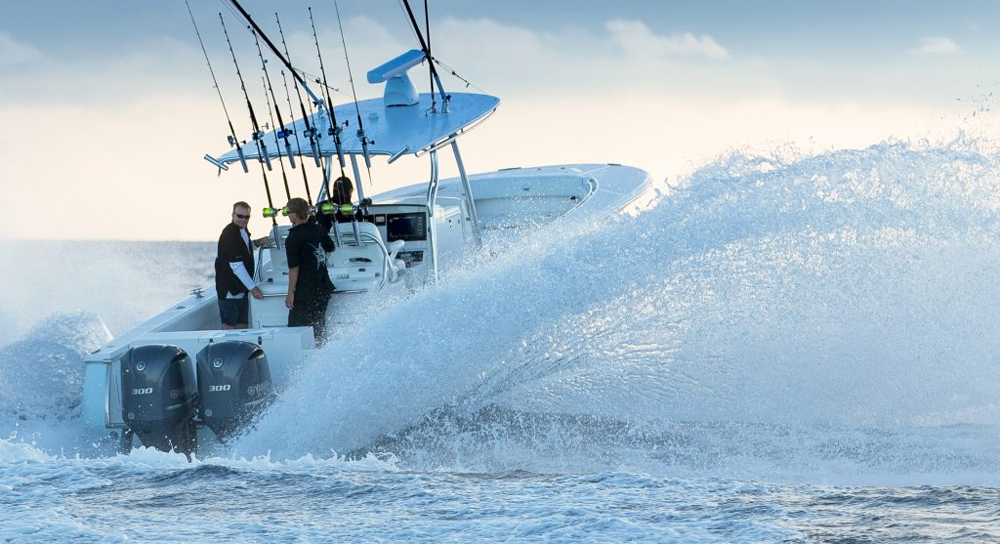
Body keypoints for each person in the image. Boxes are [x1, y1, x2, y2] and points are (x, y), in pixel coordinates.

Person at [284, 197, 336, 345]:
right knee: (319, 325)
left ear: (294, 214)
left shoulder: (293, 238)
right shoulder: (319, 229)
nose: (288, 215)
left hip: (305, 291)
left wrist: (290, 293)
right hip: (323, 286)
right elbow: (331, 248)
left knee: (296, 328)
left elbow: (294, 268)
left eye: (288, 212)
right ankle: (321, 353)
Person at [215, 201, 268, 329]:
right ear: (233, 215)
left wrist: (257, 242)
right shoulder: (229, 235)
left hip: (242, 290)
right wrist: (253, 289)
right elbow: (236, 265)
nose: (243, 220)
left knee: (243, 325)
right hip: (230, 291)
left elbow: (244, 250)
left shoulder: (243, 231)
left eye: (247, 217)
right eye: (240, 216)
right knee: (229, 326)